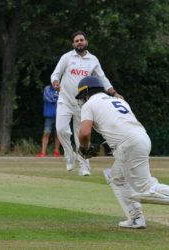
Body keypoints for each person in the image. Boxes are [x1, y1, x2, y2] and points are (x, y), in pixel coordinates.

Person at [76, 76, 169, 229]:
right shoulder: (118, 101)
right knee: (116, 177)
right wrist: (95, 151)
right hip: (140, 139)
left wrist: (83, 149)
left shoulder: (89, 105)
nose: (82, 100)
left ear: (86, 93)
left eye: (82, 96)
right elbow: (118, 136)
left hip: (129, 145)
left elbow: (84, 134)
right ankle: (135, 218)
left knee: (145, 188)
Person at [50, 31, 122, 176]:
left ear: (86, 42)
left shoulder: (93, 60)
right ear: (73, 44)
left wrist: (114, 93)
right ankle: (69, 155)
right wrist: (55, 82)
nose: (79, 42)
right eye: (76, 41)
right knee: (61, 130)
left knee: (81, 135)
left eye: (81, 40)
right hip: (65, 100)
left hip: (82, 103)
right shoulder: (67, 57)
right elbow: (55, 74)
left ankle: (84, 166)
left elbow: (102, 78)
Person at [36, 85, 61, 158]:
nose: (56, 84)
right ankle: (43, 152)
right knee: (46, 133)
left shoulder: (63, 88)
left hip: (60, 115)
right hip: (49, 114)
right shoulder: (47, 88)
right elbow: (49, 98)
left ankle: (56, 151)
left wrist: (58, 96)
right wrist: (58, 95)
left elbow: (65, 99)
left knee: (58, 134)